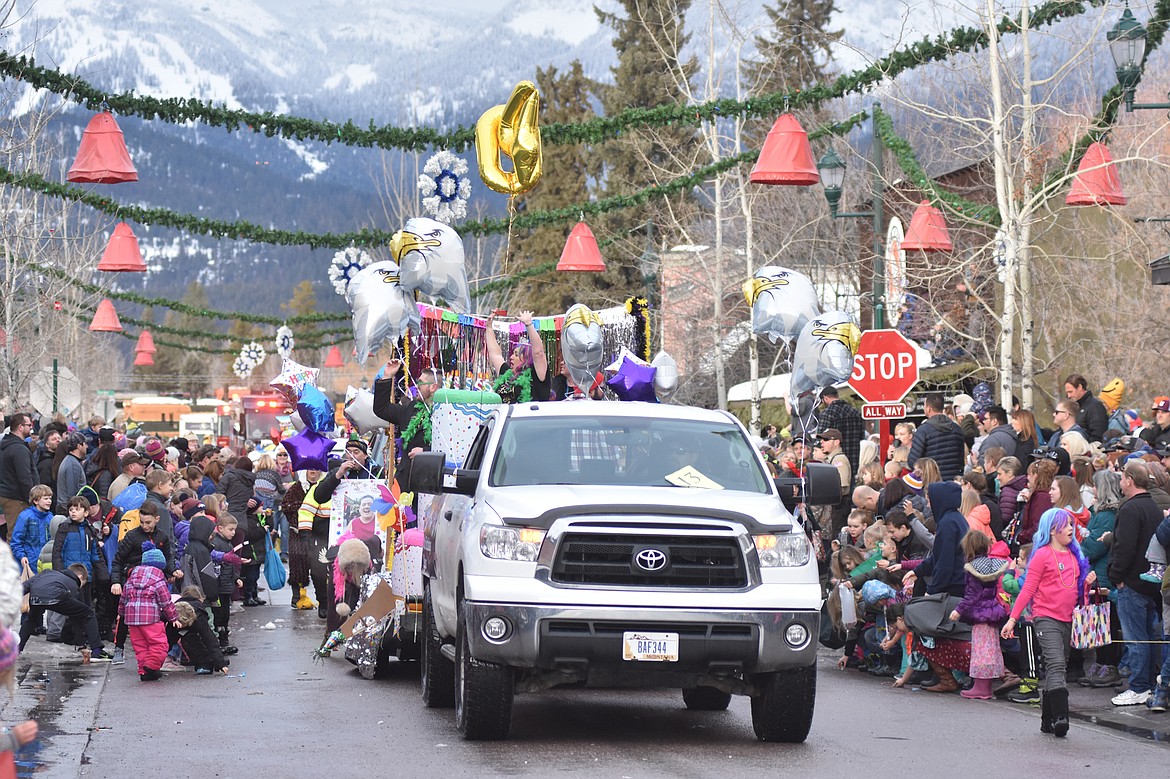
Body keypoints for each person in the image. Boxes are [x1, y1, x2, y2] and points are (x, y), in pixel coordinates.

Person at [1002, 508, 1095, 737]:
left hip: (1069, 619)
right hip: (1045, 618)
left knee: (1059, 665)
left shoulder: (1075, 555)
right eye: (1067, 525)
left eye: (1072, 525)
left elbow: (1077, 593)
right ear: (1053, 529)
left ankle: (1046, 719)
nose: (1072, 529)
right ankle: (1062, 717)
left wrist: (1088, 584)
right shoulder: (1042, 554)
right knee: (1055, 665)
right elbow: (1027, 590)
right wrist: (1012, 620)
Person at [1107, 460, 1164, 706]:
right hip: (1150, 581)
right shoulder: (1152, 506)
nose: (1120, 482)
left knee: (1136, 637)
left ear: (1129, 480)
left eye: (1121, 478)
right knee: (1148, 636)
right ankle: (1149, 684)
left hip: (1133, 581)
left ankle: (1140, 686)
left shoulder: (1131, 509)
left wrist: (1116, 576)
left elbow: (1125, 547)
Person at [1077, 469, 1124, 689]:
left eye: (1096, 486)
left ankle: (1108, 668)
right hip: (1101, 574)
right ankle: (1102, 667)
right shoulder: (1104, 513)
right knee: (1102, 624)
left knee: (1105, 625)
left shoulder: (1106, 516)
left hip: (1103, 576)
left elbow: (1093, 547)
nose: (1093, 489)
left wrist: (1081, 546)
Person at [949, 530, 1008, 699]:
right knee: (990, 650)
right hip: (992, 611)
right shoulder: (991, 565)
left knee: (981, 651)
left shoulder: (973, 568)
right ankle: (986, 687)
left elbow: (972, 594)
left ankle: (980, 687)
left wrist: (958, 610)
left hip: (980, 613)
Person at [19, 563, 110, 659]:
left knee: (31, 620)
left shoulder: (46, 573)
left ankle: (17, 649)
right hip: (57, 597)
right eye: (82, 583)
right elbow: (76, 618)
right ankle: (97, 651)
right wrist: (81, 644)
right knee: (88, 613)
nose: (81, 587)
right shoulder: (73, 584)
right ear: (80, 576)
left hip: (35, 597)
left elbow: (25, 585)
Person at [373, 360, 438, 492]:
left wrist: (426, 452)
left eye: (420, 382)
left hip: (430, 485)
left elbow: (451, 448)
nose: (416, 386)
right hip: (405, 484)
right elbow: (381, 409)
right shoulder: (411, 409)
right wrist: (387, 376)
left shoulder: (445, 413)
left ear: (433, 387)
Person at [118, 546, 180, 681]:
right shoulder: (158, 580)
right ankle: (151, 667)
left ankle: (144, 672)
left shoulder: (131, 579)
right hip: (150, 618)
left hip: (132, 619)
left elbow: (123, 598)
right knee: (160, 644)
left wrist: (121, 613)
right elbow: (166, 601)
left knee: (140, 646)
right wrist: (173, 617)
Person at [910, 481, 967, 597]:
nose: (928, 505)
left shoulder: (947, 524)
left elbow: (945, 562)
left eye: (929, 501)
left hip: (953, 588)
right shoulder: (957, 518)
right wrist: (918, 571)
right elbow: (939, 554)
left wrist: (932, 591)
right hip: (960, 584)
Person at [485, 311, 550, 403]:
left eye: (516, 355)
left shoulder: (536, 375)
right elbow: (495, 354)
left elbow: (538, 353)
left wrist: (529, 325)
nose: (511, 357)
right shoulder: (507, 373)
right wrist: (488, 327)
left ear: (527, 359)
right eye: (512, 354)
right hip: (505, 416)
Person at [282, 470, 320, 610]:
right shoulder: (297, 487)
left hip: (318, 532)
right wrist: (301, 508)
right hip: (298, 532)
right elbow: (285, 506)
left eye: (316, 471)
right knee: (298, 563)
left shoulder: (323, 487)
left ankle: (321, 597)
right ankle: (297, 596)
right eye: (311, 471)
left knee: (318, 565)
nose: (313, 473)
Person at [908, 394, 966, 480]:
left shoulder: (923, 430)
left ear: (928, 408)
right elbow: (961, 458)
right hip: (953, 480)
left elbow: (913, 461)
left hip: (932, 481)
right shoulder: (957, 429)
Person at [208, 514, 242, 655]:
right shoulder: (217, 543)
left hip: (226, 585)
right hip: (219, 586)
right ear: (220, 528)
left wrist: (235, 578)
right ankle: (220, 641)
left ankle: (224, 639)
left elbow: (229, 566)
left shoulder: (227, 543)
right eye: (231, 529)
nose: (233, 533)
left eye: (234, 530)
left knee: (225, 614)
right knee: (219, 615)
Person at [0, 414, 37, 537]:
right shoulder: (18, 449)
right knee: (16, 534)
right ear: (20, 427)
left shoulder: (7, 445)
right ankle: (12, 557)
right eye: (28, 425)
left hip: (10, 495)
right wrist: (32, 498)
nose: (31, 428)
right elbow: (24, 477)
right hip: (17, 498)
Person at [818, 385, 865, 479]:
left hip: (834, 459)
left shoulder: (827, 413)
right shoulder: (855, 412)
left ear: (825, 398)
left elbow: (822, 437)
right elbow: (861, 436)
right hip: (853, 458)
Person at [52, 496, 104, 580]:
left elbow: (96, 554)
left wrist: (102, 575)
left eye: (77, 509)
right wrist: (60, 573)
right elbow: (57, 552)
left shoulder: (90, 530)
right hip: (68, 575)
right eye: (71, 509)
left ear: (86, 513)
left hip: (86, 575)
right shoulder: (65, 528)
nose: (73, 512)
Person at [816, 428, 852, 537]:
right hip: (835, 508)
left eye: (826, 439)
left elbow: (842, 486)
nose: (822, 443)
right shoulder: (832, 459)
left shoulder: (839, 460)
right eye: (821, 440)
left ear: (836, 442)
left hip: (839, 508)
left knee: (837, 537)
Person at [10, 485, 54, 572]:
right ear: (35, 501)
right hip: (29, 562)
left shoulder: (51, 517)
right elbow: (16, 541)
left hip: (46, 562)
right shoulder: (25, 516)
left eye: (50, 498)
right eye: (45, 499)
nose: (49, 501)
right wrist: (22, 556)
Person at [1064, 374, 1108, 444]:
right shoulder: (1075, 407)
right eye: (1067, 393)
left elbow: (1098, 436)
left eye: (1070, 392)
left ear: (1080, 387)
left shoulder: (1095, 406)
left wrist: (1080, 446)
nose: (1069, 396)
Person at [51, 433, 87, 514]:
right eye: (85, 444)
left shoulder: (70, 460)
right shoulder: (73, 464)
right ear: (79, 446)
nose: (87, 446)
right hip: (67, 509)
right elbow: (72, 493)